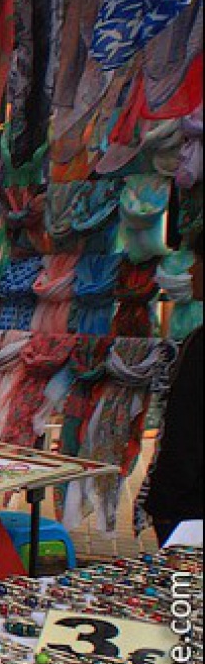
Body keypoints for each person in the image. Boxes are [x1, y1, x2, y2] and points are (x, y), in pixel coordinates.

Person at [141, 233, 202, 545]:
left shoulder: (200, 345)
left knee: (185, 590)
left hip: (190, 508)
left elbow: (186, 431)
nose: (191, 273)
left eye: (198, 264)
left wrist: (165, 503)